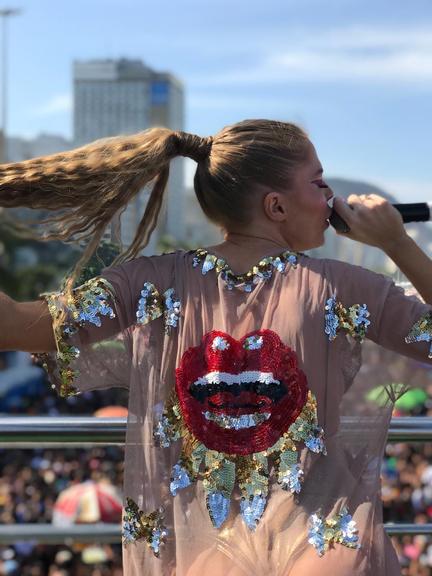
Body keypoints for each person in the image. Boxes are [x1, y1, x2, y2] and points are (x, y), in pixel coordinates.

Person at [0, 119, 431, 576]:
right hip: (324, 548)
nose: (330, 198)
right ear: (276, 206)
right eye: (319, 182)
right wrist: (395, 242)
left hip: (204, 554)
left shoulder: (149, 281)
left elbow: (16, 326)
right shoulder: (342, 286)